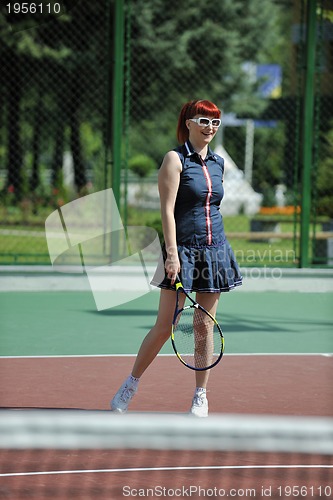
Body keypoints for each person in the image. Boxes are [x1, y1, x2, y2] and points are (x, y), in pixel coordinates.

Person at [110, 99, 242, 417]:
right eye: (204, 121)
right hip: (181, 250)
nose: (210, 127)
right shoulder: (175, 158)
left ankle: (200, 395)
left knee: (203, 326)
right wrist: (172, 254)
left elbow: (213, 207)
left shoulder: (219, 163)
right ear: (188, 123)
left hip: (215, 251)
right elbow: (167, 211)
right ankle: (130, 384)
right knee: (165, 326)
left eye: (215, 122)